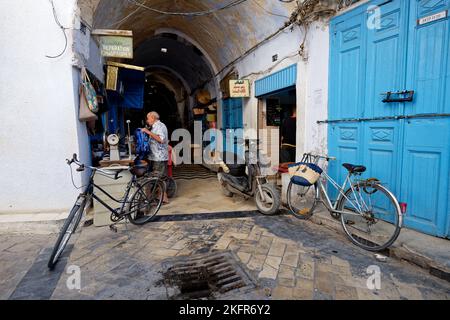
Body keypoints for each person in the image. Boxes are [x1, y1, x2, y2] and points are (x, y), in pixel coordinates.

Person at [141, 111, 170, 204]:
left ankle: (163, 198)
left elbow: (161, 139)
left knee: (160, 178)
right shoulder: (155, 126)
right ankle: (159, 196)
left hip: (159, 157)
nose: (147, 120)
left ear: (153, 118)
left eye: (148, 118)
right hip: (154, 156)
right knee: (156, 177)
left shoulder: (160, 126)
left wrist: (148, 132)